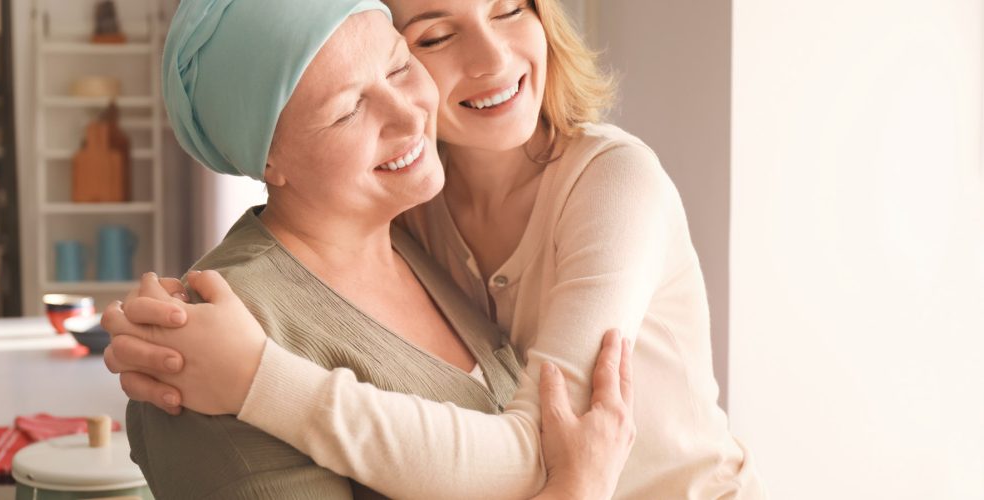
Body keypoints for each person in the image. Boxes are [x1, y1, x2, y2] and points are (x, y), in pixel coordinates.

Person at [108, 0, 766, 498]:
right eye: (347, 109)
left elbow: (536, 451)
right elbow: (548, 462)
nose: (407, 116)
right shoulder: (414, 212)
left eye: (398, 67)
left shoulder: (596, 185)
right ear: (265, 159)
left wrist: (260, 380)